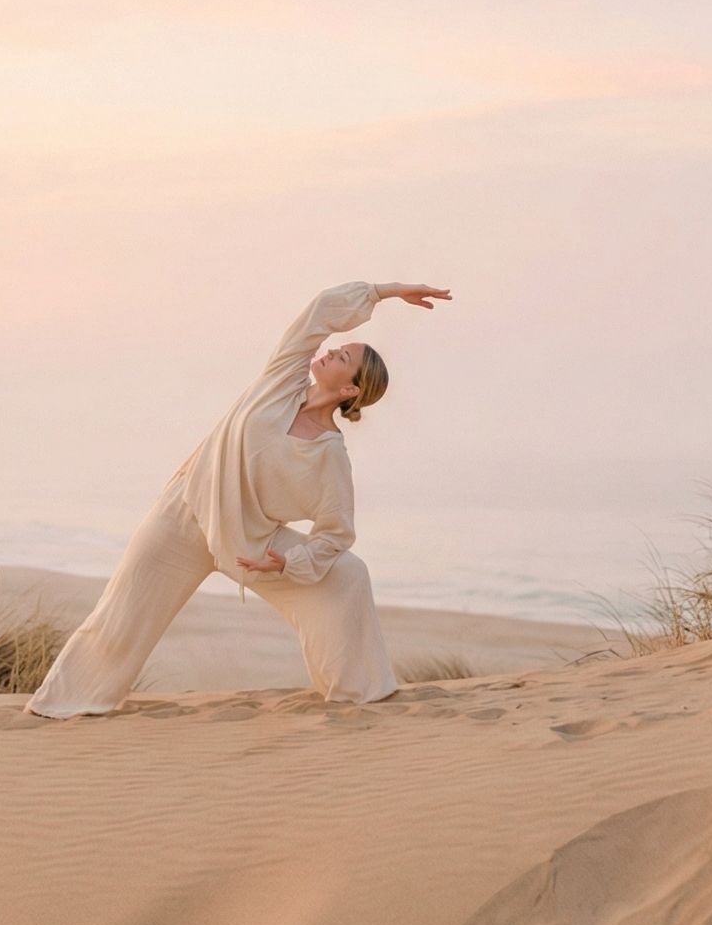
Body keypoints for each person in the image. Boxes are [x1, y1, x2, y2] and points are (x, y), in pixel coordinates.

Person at [26, 280, 452, 718]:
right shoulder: (283, 380)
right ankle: (60, 705)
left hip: (249, 545)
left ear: (350, 391)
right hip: (182, 516)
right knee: (120, 614)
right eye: (337, 348)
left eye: (342, 358)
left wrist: (287, 563)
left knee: (348, 576)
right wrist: (387, 291)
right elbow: (319, 312)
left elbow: (336, 532)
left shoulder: (329, 456)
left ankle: (360, 694)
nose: (330, 352)